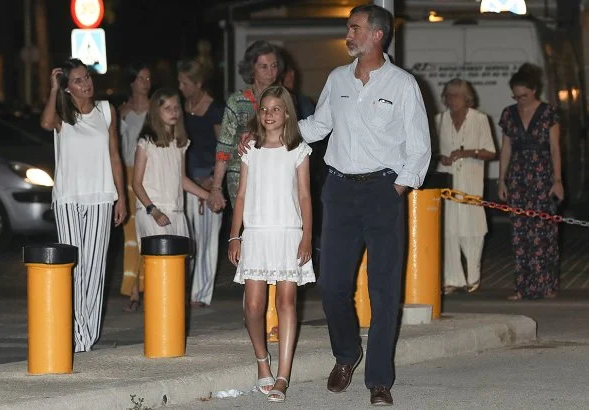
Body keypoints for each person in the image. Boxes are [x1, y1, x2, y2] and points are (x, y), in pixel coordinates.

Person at [240, 5, 431, 406]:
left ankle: (379, 380)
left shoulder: (402, 84)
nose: (348, 34)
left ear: (376, 35)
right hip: (340, 193)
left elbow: (419, 149)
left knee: (383, 292)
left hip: (383, 191)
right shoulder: (338, 79)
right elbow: (315, 126)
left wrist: (395, 190)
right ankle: (347, 355)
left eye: (354, 28)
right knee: (332, 289)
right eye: (349, 28)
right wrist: (265, 134)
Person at [228, 85, 315, 403]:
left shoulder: (298, 149)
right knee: (252, 307)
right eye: (264, 109)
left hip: (288, 233)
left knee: (287, 304)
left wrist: (306, 235)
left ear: (287, 113)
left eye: (276, 109)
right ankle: (262, 360)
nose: (268, 115)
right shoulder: (250, 148)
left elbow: (305, 196)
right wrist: (235, 234)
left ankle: (282, 376)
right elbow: (241, 195)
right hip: (257, 234)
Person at [40, 58, 127, 352]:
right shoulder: (62, 114)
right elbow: (45, 123)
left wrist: (121, 198)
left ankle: (86, 337)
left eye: (87, 77)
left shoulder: (106, 110)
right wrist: (53, 89)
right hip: (68, 198)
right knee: (73, 267)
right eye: (77, 80)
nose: (86, 84)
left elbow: (115, 156)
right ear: (67, 88)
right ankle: (77, 335)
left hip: (102, 197)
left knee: (95, 269)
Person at [498, 63, 563, 300]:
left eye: (524, 95)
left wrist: (557, 180)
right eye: (515, 96)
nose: (520, 100)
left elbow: (555, 149)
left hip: (542, 176)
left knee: (544, 231)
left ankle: (546, 284)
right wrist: (502, 180)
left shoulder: (548, 113)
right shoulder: (508, 114)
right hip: (518, 177)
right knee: (520, 232)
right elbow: (506, 149)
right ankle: (522, 286)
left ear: (534, 90)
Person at [207, 41, 285, 212]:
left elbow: (291, 136)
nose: (270, 72)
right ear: (252, 70)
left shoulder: (285, 99)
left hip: (276, 171)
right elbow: (224, 145)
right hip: (241, 173)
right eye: (263, 67)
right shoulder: (237, 101)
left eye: (274, 66)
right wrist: (216, 188)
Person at [436, 79, 496, 295]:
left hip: (470, 184)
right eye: (448, 96)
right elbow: (431, 152)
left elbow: (491, 152)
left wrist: (468, 152)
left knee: (473, 230)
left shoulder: (479, 119)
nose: (451, 100)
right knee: (449, 231)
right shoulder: (439, 120)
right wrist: (441, 158)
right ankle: (452, 278)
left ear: (467, 98)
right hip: (447, 184)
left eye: (456, 96)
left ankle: (473, 276)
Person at [132, 88, 209, 243]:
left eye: (176, 108)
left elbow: (182, 179)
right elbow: (136, 183)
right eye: (167, 108)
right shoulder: (146, 143)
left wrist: (209, 196)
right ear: (156, 111)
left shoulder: (180, 144)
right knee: (160, 263)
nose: (173, 112)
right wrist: (153, 211)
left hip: (176, 211)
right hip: (153, 212)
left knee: (179, 264)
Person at [177, 55, 225, 308]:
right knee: (187, 238)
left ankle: (200, 294)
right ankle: (183, 289)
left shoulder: (215, 108)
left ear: (197, 83)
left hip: (208, 179)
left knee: (207, 240)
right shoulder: (182, 107)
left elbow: (223, 149)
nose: (181, 87)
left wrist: (212, 183)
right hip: (185, 179)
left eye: (184, 83)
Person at [119, 62, 152, 312]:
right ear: (132, 82)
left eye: (148, 78)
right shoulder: (123, 111)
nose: (145, 82)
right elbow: (117, 149)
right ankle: (132, 288)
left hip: (150, 174)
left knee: (148, 230)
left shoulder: (154, 109)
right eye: (141, 78)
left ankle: (147, 285)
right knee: (130, 234)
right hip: (129, 173)